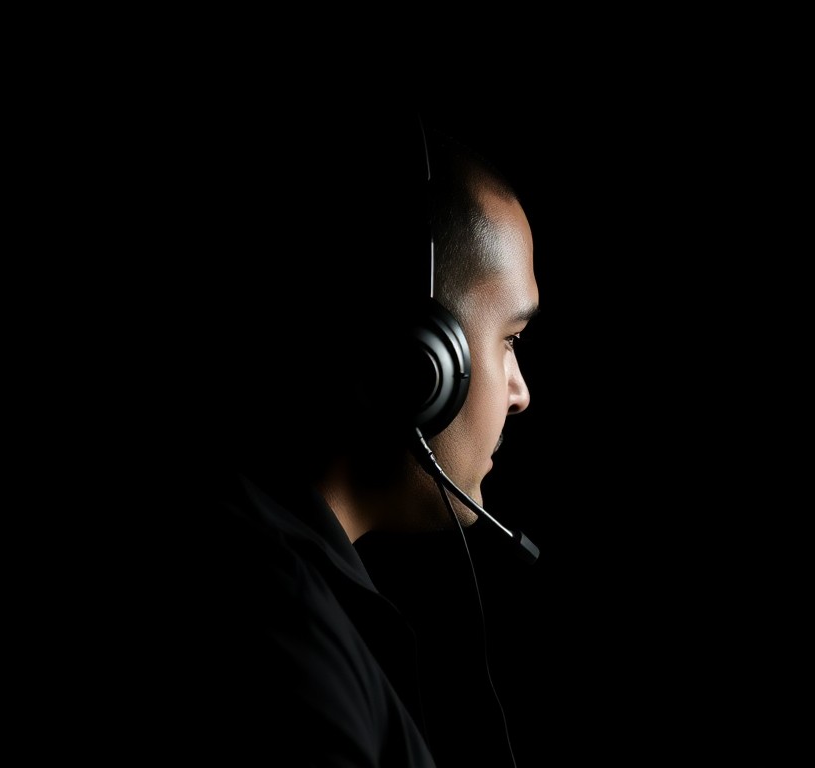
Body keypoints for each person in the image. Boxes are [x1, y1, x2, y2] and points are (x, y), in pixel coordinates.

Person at [151, 101, 540, 767]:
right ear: (421, 362)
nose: (520, 392)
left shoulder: (292, 592)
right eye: (509, 340)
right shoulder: (270, 623)